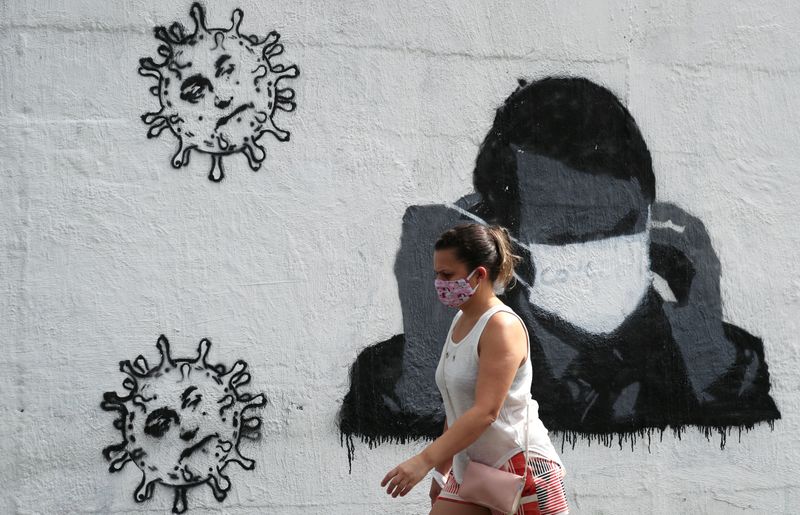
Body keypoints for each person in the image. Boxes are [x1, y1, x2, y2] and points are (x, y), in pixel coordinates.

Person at [381, 223, 569, 515]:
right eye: (437, 274)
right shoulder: (460, 320)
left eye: (447, 275)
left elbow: (484, 412)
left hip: (521, 469)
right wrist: (440, 472)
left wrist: (423, 461)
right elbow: (458, 407)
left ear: (479, 275)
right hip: (472, 469)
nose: (439, 283)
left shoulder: (501, 326)